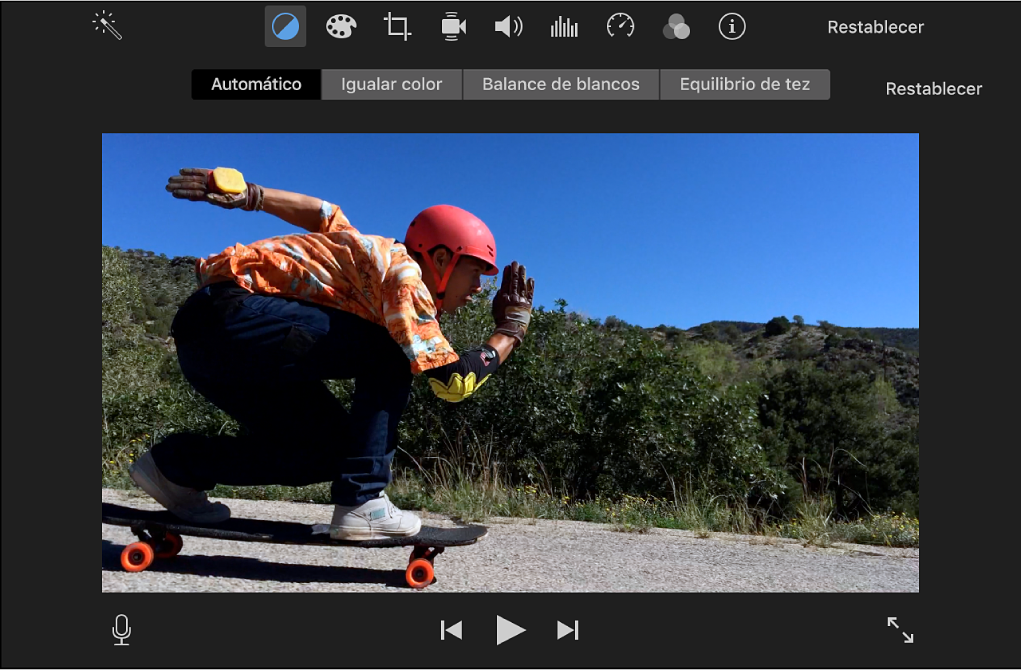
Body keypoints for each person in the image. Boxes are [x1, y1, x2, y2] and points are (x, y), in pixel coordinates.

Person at [128, 167, 535, 540]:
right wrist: (510, 330)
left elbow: (323, 213)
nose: (479, 288)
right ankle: (362, 501)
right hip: (231, 319)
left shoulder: (360, 253)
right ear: (442, 258)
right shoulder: (405, 276)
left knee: (327, 452)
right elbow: (452, 383)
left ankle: (175, 468)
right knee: (392, 349)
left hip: (215, 347)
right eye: (476, 270)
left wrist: (253, 194)